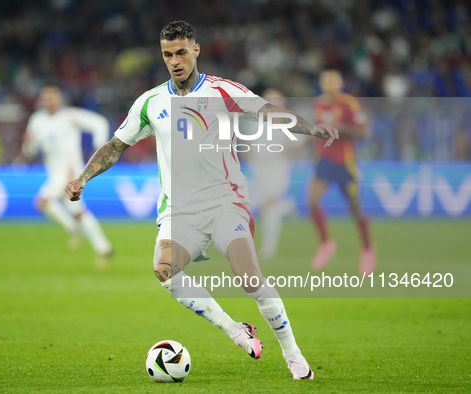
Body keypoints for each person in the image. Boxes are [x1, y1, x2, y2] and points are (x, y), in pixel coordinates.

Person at [65, 21, 338, 380]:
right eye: (167, 54)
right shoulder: (150, 102)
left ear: (195, 50)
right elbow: (116, 146)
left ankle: (293, 354)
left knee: (249, 278)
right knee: (164, 269)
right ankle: (235, 330)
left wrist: (310, 128)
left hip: (226, 202)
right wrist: (83, 177)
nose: (175, 60)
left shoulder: (222, 90)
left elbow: (267, 111)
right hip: (179, 211)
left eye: (181, 52)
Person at [23, 84, 113, 267]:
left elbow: (99, 123)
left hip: (70, 172)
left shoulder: (70, 116)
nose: (49, 99)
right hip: (54, 172)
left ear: (60, 98)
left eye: (52, 96)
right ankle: (104, 248)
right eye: (45, 96)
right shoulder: (37, 120)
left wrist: (99, 144)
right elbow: (30, 150)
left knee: (43, 201)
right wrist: (28, 145)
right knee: (79, 212)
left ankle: (73, 229)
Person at [308, 70, 375, 275]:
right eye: (325, 80)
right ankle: (327, 244)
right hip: (324, 161)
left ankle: (367, 249)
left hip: (345, 163)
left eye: (333, 80)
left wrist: (341, 127)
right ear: (321, 83)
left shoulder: (349, 103)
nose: (329, 83)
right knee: (312, 201)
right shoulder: (318, 103)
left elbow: (364, 132)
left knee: (355, 209)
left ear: (340, 82)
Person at [246, 89, 303, 259]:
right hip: (258, 167)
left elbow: (296, 146)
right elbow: (248, 142)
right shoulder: (254, 119)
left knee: (269, 204)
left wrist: (288, 150)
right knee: (264, 206)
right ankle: (287, 206)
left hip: (278, 166)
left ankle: (269, 247)